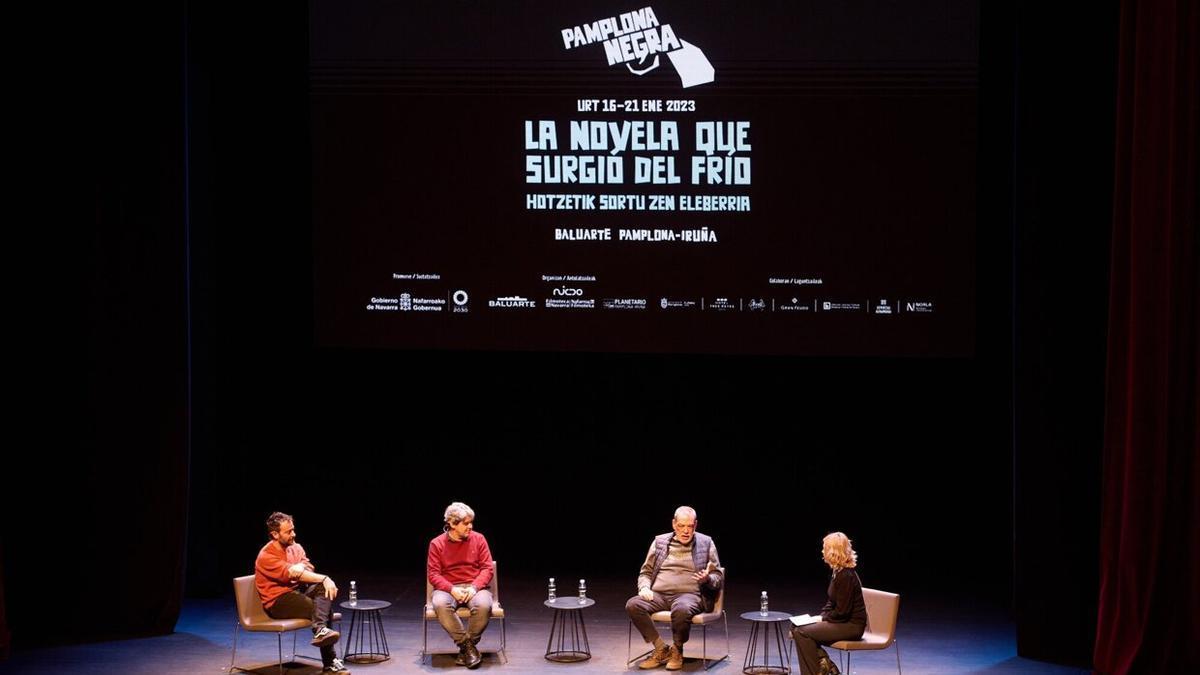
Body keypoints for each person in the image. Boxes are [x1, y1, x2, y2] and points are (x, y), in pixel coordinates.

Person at [626, 505, 723, 671]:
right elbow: (646, 572)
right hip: (660, 595)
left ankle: (677, 650)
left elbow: (718, 578)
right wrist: (644, 588)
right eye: (681, 526)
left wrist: (707, 578)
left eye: (690, 526)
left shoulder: (706, 543)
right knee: (633, 605)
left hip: (690, 596)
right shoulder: (660, 542)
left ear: (695, 525)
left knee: (682, 608)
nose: (685, 531)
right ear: (673, 524)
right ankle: (661, 648)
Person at [254, 511, 350, 674]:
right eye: (289, 531)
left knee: (323, 589)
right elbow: (292, 573)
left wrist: (304, 571)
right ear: (275, 534)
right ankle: (329, 662)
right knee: (321, 608)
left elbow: (308, 567)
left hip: (296, 593)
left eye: (293, 529)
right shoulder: (266, 556)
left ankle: (320, 631)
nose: (294, 534)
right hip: (278, 602)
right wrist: (320, 576)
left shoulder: (295, 547)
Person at [427, 501, 494, 669]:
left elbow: (487, 568)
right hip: (448, 588)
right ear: (452, 523)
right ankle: (467, 647)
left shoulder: (479, 539)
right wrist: (452, 589)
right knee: (441, 604)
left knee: (484, 604)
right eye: (466, 523)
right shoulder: (437, 543)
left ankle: (466, 649)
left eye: (471, 522)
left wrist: (474, 587)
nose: (470, 526)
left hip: (474, 587)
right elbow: (433, 574)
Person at [790, 532, 868, 675]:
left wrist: (822, 619)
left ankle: (818, 670)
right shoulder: (837, 571)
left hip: (852, 626)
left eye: (825, 548)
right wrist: (819, 617)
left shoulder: (846, 576)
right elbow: (831, 603)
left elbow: (842, 612)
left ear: (833, 551)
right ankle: (825, 665)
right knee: (796, 627)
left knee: (801, 632)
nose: (822, 551)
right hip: (841, 622)